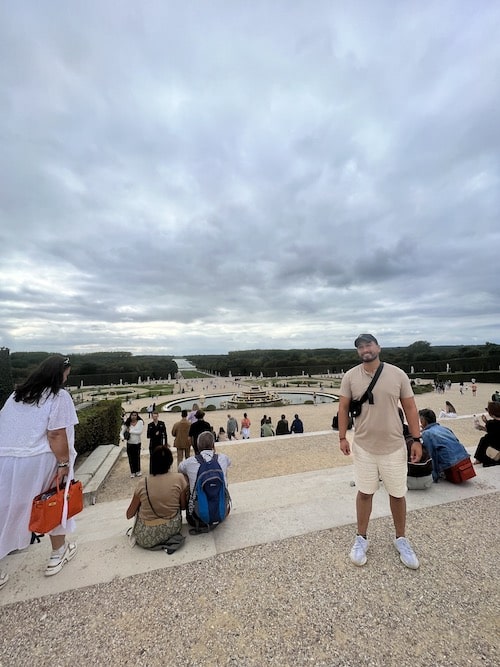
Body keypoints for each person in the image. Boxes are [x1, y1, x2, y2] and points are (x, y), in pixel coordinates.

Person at [338, 334, 422, 570]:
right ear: (358, 352)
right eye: (361, 347)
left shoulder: (397, 374)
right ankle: (361, 537)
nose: (365, 349)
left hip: (394, 446)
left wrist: (417, 439)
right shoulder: (350, 376)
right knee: (365, 493)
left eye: (369, 345)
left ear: (378, 347)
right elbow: (343, 407)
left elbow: (410, 407)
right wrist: (342, 437)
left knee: (397, 494)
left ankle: (401, 538)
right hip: (364, 446)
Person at [0, 355, 78, 589]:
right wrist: (63, 464)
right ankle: (57, 554)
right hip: (39, 460)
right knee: (54, 502)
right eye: (66, 374)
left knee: (6, 512)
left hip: (6, 459)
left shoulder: (16, 396)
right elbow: (55, 434)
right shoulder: (58, 395)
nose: (66, 378)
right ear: (59, 373)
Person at [126, 445, 188, 549]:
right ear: (170, 462)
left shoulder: (142, 483)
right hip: (172, 529)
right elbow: (183, 506)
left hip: (147, 536)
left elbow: (129, 514)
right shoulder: (179, 479)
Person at [178, 431, 231, 529]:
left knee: (184, 477)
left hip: (197, 516)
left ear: (197, 446)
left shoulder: (190, 462)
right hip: (222, 513)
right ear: (213, 445)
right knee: (224, 473)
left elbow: (180, 468)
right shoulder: (223, 458)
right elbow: (229, 462)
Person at [419, 409, 471, 481]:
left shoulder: (427, 433)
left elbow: (431, 455)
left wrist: (434, 475)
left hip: (452, 465)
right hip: (465, 459)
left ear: (423, 420)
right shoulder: (445, 428)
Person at [473, 401, 500, 467]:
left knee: (484, 439)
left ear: (491, 413)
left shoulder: (491, 424)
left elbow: (492, 432)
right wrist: (486, 422)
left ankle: (478, 459)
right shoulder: (491, 423)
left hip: (496, 450)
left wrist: (481, 427)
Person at [122, 411, 144, 478]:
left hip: (137, 443)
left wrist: (130, 431)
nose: (133, 416)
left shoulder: (140, 422)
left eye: (135, 415)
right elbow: (121, 432)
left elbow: (139, 432)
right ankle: (132, 471)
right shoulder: (127, 424)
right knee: (130, 458)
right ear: (130, 416)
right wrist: (123, 437)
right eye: (132, 415)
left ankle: (138, 470)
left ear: (137, 416)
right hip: (129, 443)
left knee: (137, 457)